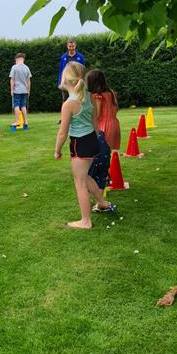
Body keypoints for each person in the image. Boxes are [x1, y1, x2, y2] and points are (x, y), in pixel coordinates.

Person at [54, 62, 115, 229]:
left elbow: (62, 133)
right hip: (92, 141)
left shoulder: (69, 104)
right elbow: (95, 122)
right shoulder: (89, 96)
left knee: (79, 181)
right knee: (86, 177)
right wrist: (97, 140)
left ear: (65, 79)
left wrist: (57, 150)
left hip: (80, 144)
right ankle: (102, 202)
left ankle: (85, 221)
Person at [86, 68, 121, 150]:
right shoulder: (111, 92)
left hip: (103, 127)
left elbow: (97, 115)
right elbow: (116, 108)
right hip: (114, 124)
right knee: (107, 152)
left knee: (99, 151)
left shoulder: (97, 96)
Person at [9, 52, 31, 130]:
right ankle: (25, 121)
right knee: (23, 106)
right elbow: (28, 81)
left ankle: (17, 121)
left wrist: (11, 90)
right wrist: (28, 90)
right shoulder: (27, 68)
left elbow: (12, 79)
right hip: (25, 90)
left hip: (17, 90)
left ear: (17, 59)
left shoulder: (14, 67)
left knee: (16, 105)